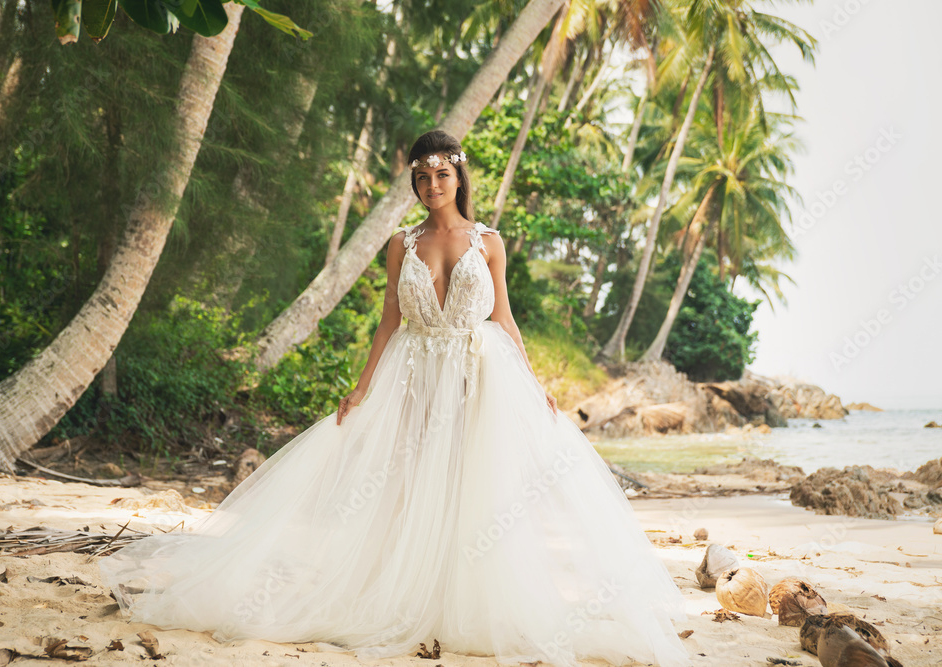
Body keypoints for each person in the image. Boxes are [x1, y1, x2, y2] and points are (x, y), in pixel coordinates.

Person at [98, 130, 692, 667]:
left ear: (459, 177)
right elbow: (387, 322)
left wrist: (536, 383)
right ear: (413, 181)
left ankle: (469, 603)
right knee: (410, 483)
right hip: (414, 371)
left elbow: (505, 317)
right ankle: (409, 597)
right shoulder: (400, 244)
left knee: (475, 486)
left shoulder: (489, 241)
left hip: (479, 373)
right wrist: (361, 387)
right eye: (421, 176)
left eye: (441, 174)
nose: (431, 186)